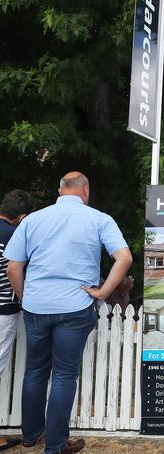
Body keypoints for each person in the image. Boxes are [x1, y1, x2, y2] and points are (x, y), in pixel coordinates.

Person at [5, 172, 132, 454]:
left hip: (37, 306)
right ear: (85, 190)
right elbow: (124, 257)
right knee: (63, 375)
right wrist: (103, 292)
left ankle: (30, 437)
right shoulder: (98, 219)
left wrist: (28, 298)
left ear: (60, 190)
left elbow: (13, 268)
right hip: (75, 306)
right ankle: (56, 446)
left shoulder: (33, 220)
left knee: (35, 371)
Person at [0, 190, 35, 452]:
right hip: (3, 309)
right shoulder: (13, 237)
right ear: (21, 217)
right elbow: (17, 270)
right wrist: (23, 298)